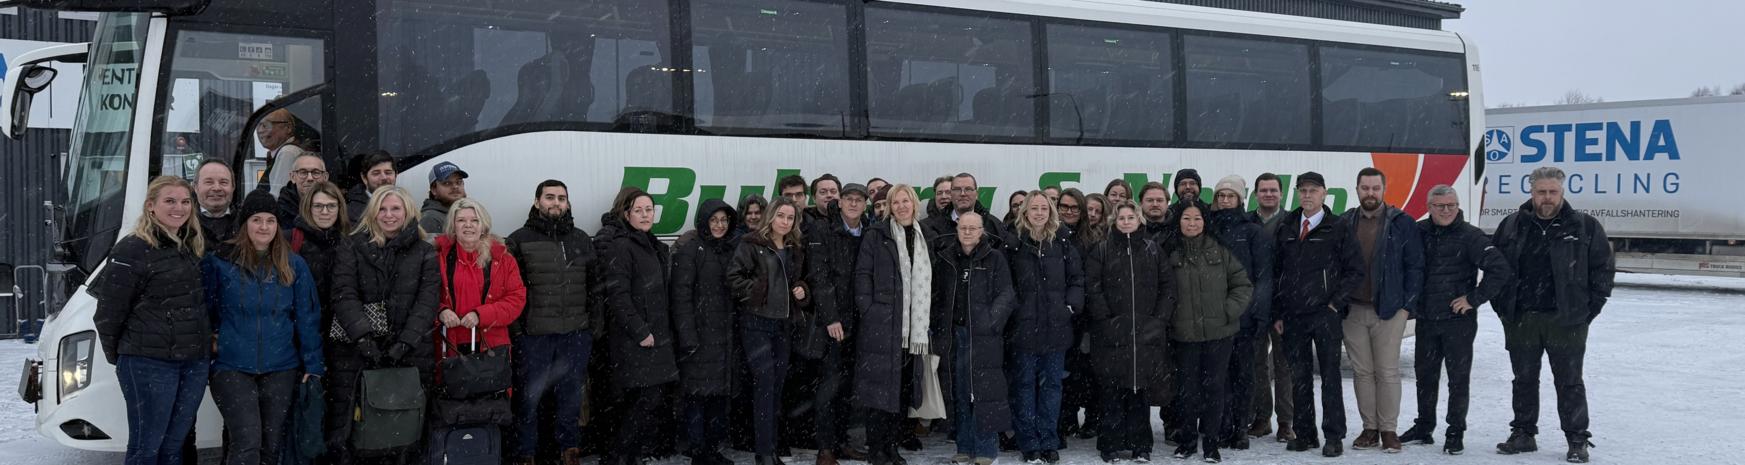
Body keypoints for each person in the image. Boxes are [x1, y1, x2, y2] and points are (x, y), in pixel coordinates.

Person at [1489, 166, 1613, 463]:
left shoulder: (1584, 226)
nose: (1547, 198)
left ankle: (1576, 439)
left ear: (1562, 192)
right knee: (1524, 379)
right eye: (1541, 191)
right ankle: (1523, 434)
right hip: (1522, 319)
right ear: (1531, 192)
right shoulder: (1510, 226)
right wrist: (1504, 308)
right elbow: (1495, 270)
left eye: (1552, 192)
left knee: (1569, 381)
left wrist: (1585, 312)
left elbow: (1602, 272)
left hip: (1566, 320)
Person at [93, 176, 211, 465]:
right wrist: (124, 356)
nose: (179, 208)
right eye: (169, 201)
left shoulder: (190, 246)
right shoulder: (131, 249)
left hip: (192, 362)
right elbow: (108, 314)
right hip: (148, 363)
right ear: (150, 206)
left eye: (185, 202)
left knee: (173, 448)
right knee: (146, 449)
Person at [202, 190, 324, 465]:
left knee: (271, 445)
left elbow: (307, 317)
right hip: (232, 366)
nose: (264, 227)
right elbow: (205, 311)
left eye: (270, 221)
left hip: (281, 367)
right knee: (247, 441)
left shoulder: (293, 264)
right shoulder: (221, 262)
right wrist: (211, 345)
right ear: (245, 223)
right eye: (257, 220)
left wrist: (313, 365)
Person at [329, 186, 441, 464]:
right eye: (382, 208)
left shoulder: (425, 251)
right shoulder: (352, 245)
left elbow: (427, 302)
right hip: (356, 355)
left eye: (395, 209)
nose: (389, 215)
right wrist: (363, 339)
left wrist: (405, 342)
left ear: (407, 212)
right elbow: (344, 293)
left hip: (411, 354)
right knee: (355, 431)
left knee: (404, 432)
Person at [1401, 185, 1513, 456]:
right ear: (1429, 207)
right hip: (1427, 319)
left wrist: (1473, 299)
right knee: (1425, 377)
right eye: (1440, 206)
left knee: (1457, 380)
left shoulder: (1470, 236)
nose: (1447, 210)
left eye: (1452, 204)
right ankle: (1424, 427)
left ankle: (1455, 432)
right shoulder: (1419, 231)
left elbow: (1500, 269)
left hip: (1458, 322)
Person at [504, 180, 599, 465]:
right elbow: (512, 290)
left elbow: (595, 288)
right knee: (528, 402)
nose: (556, 203)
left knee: (570, 401)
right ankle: (526, 456)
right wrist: (519, 332)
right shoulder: (518, 239)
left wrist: (592, 328)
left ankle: (568, 454)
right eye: (550, 197)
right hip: (534, 338)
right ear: (537, 202)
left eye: (561, 198)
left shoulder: (581, 239)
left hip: (575, 335)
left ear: (568, 203)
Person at [1270, 172, 1363, 458]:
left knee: (1331, 377)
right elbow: (1276, 272)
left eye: (1313, 190)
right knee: (1299, 377)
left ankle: (1333, 435)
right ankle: (1306, 433)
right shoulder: (1287, 225)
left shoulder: (1338, 227)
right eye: (1303, 190)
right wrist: (1278, 310)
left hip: (1326, 314)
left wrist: (1335, 303)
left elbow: (1355, 270)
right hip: (1294, 315)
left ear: (1324, 193)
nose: (1307, 195)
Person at [595, 187, 680, 465]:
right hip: (636, 339)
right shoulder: (623, 246)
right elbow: (617, 295)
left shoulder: (651, 244)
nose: (645, 215)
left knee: (647, 401)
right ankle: (619, 456)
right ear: (626, 213)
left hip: (656, 337)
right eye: (639, 210)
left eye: (649, 209)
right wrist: (640, 330)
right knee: (643, 400)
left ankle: (628, 455)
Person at [1084, 201, 1175, 463]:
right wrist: (1106, 319)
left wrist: (1158, 320)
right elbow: (1093, 287)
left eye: (1130, 217)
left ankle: (1140, 445)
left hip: (1145, 334)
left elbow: (1168, 287)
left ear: (1139, 221)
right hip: (1111, 333)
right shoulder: (1101, 250)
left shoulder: (1153, 250)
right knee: (1111, 392)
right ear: (1114, 221)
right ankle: (1110, 444)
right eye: (1121, 217)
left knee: (1139, 391)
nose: (1125, 221)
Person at [1343, 168, 1425, 454]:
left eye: (1375, 188)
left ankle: (1389, 430)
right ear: (1357, 189)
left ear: (1384, 189)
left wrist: (1407, 306)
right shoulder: (1346, 221)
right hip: (1352, 309)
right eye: (1365, 187)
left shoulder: (1402, 223)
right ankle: (1369, 429)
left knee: (1387, 371)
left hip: (1389, 310)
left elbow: (1415, 265)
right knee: (1362, 372)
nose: (1370, 193)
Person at [1166, 201, 1254, 463]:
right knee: (1187, 390)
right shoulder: (1170, 252)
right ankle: (1188, 441)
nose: (1191, 224)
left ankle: (1212, 443)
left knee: (1215, 388)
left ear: (1205, 222)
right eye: (1186, 218)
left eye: (1197, 219)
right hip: (1183, 336)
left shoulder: (1220, 250)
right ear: (1178, 221)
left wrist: (1227, 311)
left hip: (1219, 335)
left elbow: (1242, 285)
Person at [728, 197, 812, 465]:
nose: (785, 222)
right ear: (771, 216)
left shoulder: (794, 246)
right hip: (756, 324)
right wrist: (758, 291)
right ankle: (763, 452)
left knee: (776, 388)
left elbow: (800, 282)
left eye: (790, 218)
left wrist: (802, 290)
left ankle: (772, 449)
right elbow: (733, 278)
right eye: (781, 216)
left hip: (783, 326)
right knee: (764, 386)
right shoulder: (752, 244)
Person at [853, 185, 933, 465]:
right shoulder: (877, 235)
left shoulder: (924, 237)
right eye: (895, 202)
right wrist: (871, 311)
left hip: (913, 329)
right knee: (878, 393)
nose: (901, 206)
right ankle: (877, 449)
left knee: (900, 392)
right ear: (888, 206)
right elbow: (863, 275)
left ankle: (892, 446)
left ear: (914, 204)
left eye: (905, 201)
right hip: (882, 325)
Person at [1005, 191, 1085, 465]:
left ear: (1051, 212)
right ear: (1024, 212)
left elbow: (1077, 280)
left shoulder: (1062, 242)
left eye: (1044, 208)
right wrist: (1015, 312)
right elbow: (1006, 284)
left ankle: (1049, 440)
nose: (1039, 213)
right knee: (1024, 386)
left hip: (1056, 328)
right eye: (1034, 208)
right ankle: (1028, 442)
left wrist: (1069, 307)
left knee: (1052, 386)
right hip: (1023, 329)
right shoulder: (1013, 243)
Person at [934, 212, 1016, 465]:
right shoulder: (946, 258)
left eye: (973, 228)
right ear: (957, 229)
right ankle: (964, 446)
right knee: (959, 393)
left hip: (983, 337)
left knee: (984, 394)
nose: (967, 232)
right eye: (963, 227)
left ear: (982, 231)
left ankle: (985, 450)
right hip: (955, 335)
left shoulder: (995, 258)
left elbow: (1007, 295)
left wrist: (990, 322)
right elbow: (937, 295)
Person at [804, 183, 876, 465]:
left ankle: (843, 442)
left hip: (861, 322)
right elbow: (819, 278)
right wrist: (831, 317)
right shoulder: (823, 230)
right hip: (833, 323)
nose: (854, 204)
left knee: (849, 387)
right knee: (829, 386)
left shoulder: (869, 231)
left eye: (859, 200)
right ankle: (825, 448)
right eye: (849, 199)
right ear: (841, 201)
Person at [671, 199, 740, 465]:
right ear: (703, 222)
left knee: (717, 396)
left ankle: (712, 447)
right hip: (699, 338)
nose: (720, 225)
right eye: (714, 220)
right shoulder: (691, 252)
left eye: (724, 220)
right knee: (696, 396)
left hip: (723, 337)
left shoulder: (729, 249)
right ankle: (697, 449)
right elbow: (681, 297)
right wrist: (688, 336)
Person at [1207, 176, 1273, 451]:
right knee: (1217, 375)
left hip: (1243, 318)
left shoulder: (1252, 231)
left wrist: (1259, 313)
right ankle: (1221, 426)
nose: (1224, 200)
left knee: (1243, 375)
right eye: (1220, 195)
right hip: (1213, 317)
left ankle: (1240, 428)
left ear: (1240, 199)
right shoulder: (1207, 228)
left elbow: (1263, 275)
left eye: (1230, 196)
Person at [1246, 173, 1294, 443]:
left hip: (1282, 304)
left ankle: (1285, 422)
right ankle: (1262, 417)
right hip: (1253, 304)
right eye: (1263, 190)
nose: (1268, 194)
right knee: (1256, 364)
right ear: (1255, 194)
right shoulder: (1246, 221)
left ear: (1281, 193)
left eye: (1273, 190)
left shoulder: (1291, 222)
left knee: (1284, 365)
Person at [1056, 188, 1098, 442]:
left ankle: (1090, 420)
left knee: (1085, 373)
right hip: (1056, 317)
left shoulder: (1091, 241)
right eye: (1064, 207)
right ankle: (1065, 419)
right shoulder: (1050, 237)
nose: (1069, 212)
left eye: (1074, 208)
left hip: (1083, 318)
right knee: (1060, 373)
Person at [922, 173, 1006, 246]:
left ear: (976, 194)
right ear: (951, 194)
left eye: (968, 189)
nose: (963, 194)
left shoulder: (994, 225)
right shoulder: (933, 227)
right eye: (957, 189)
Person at [257, 108, 309, 194]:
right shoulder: (283, 152)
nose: (260, 130)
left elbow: (278, 196)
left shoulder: (288, 152)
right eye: (258, 125)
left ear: (288, 128)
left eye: (266, 125)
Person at [345, 151, 399, 224]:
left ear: (396, 175)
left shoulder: (405, 203)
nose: (383, 177)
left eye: (388, 172)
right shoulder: (352, 212)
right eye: (376, 173)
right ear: (364, 178)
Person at [277, 152, 330, 226]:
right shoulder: (279, 213)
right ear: (292, 177)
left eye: (316, 173)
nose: (310, 178)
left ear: (325, 177)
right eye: (303, 172)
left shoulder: (336, 209)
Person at [420, 161, 470, 237]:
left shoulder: (469, 213)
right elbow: (427, 248)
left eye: (458, 182)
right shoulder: (430, 219)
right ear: (434, 189)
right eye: (447, 183)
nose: (455, 186)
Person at [196, 159, 240, 244]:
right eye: (209, 182)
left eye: (223, 182)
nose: (217, 188)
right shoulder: (181, 222)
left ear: (233, 187)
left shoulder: (246, 222)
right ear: (195, 187)